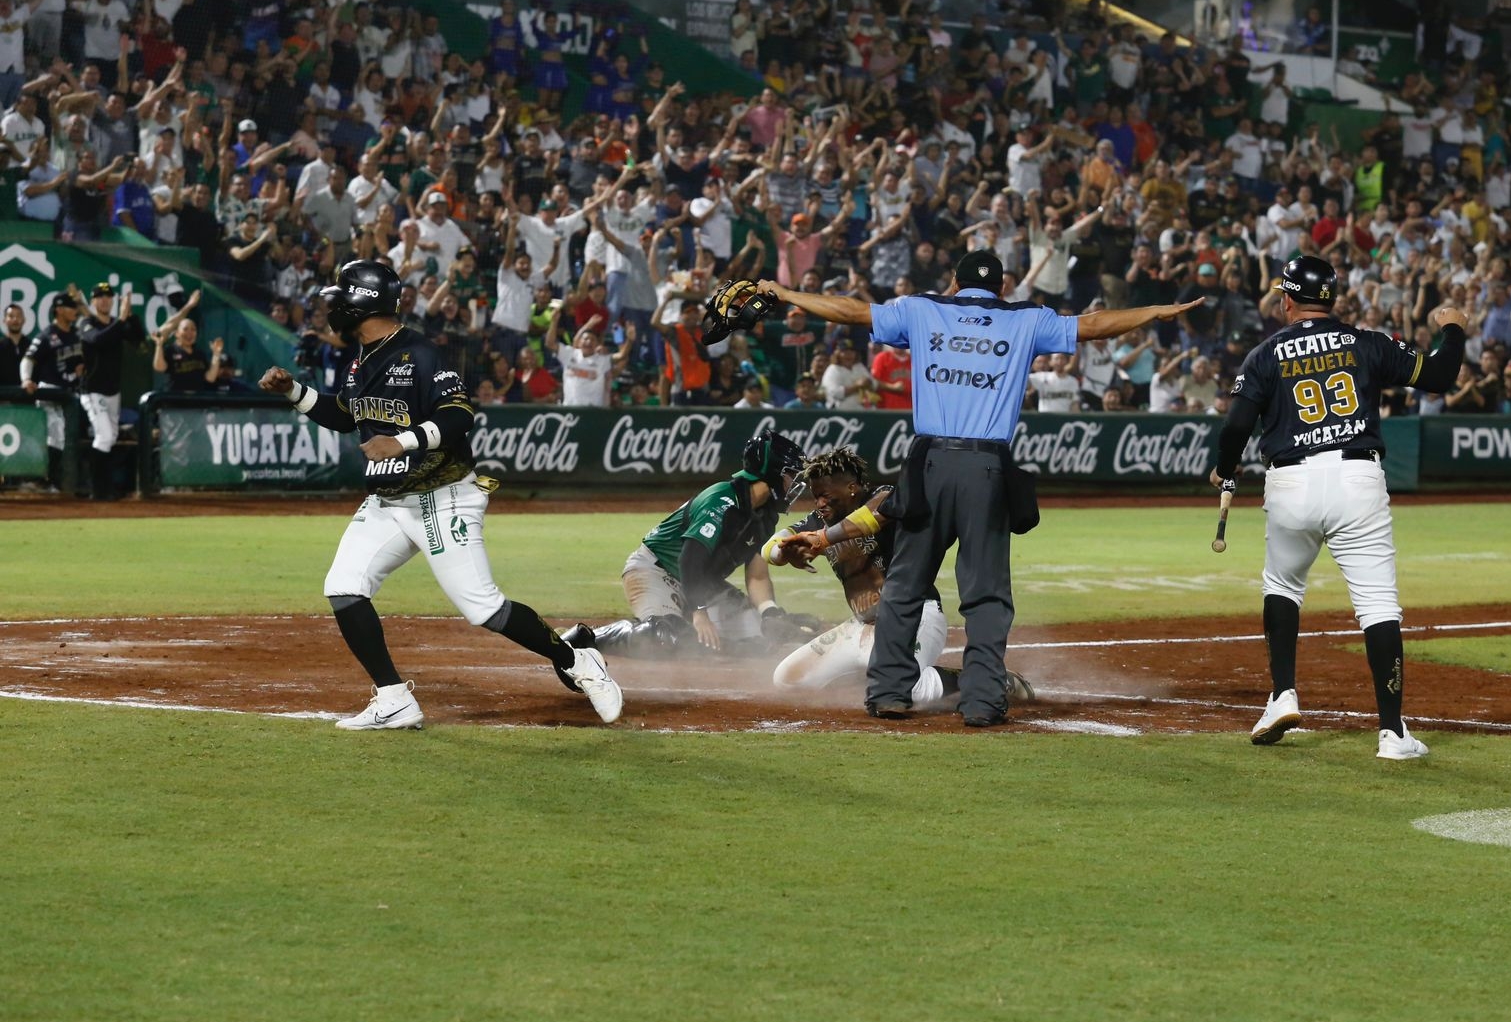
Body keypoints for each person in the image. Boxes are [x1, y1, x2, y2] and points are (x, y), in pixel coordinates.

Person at [758, 251, 1203, 725]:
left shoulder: (924, 308)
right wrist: (1153, 312)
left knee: (906, 582)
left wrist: (787, 294)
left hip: (928, 461)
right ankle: (982, 700)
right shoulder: (1025, 319)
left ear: (955, 282)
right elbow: (1092, 326)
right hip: (986, 466)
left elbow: (851, 310)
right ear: (1002, 287)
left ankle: (889, 692)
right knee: (986, 592)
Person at [257, 259, 623, 730]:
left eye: (340, 297)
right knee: (344, 587)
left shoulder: (420, 353)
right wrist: (294, 391)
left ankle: (576, 660)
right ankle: (393, 699)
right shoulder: (363, 357)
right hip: (389, 500)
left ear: (361, 303)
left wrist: (403, 440)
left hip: (443, 495)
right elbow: (347, 414)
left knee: (483, 607)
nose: (333, 306)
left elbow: (459, 416)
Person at [1208, 256, 1465, 760]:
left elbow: (1236, 427)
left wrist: (1224, 468)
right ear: (1332, 299)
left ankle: (1282, 695)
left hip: (1292, 482)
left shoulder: (1265, 353)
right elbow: (1440, 374)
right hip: (1357, 478)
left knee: (1282, 586)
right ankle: (1392, 733)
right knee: (1377, 605)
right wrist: (1453, 327)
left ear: (1286, 300)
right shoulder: (1366, 342)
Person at [765, 447, 1034, 708]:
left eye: (825, 495)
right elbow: (770, 548)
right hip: (861, 625)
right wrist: (785, 551)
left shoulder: (887, 497)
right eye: (815, 497)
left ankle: (990, 680)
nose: (819, 504)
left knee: (908, 689)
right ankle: (872, 675)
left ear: (851, 487)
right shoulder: (818, 520)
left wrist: (821, 540)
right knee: (788, 679)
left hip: (915, 616)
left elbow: (870, 518)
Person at [563, 429, 816, 658]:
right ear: (771, 472)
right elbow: (690, 558)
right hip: (657, 571)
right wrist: (699, 611)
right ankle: (584, 638)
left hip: (703, 584)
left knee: (759, 640)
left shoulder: (766, 515)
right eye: (790, 474)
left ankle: (690, 631)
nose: (794, 483)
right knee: (666, 637)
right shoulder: (721, 499)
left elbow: (757, 576)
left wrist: (769, 612)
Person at [75, 283, 146, 500]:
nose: (104, 300)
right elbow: (97, 339)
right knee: (104, 436)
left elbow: (138, 339)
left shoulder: (117, 323)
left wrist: (131, 316)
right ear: (93, 301)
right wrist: (122, 320)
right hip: (92, 391)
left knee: (111, 437)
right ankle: (97, 490)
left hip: (113, 392)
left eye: (108, 296)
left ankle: (105, 488)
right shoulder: (87, 323)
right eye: (100, 297)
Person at [19, 294, 82, 492]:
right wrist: (26, 379)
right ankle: (41, 480)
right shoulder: (47, 334)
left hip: (71, 393)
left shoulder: (75, 334)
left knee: (65, 437)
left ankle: (53, 480)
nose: (75, 311)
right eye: (71, 307)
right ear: (59, 310)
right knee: (55, 434)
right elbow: (28, 359)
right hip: (50, 391)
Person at [149, 291, 211, 392]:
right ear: (176, 333)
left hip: (196, 402)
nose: (189, 333)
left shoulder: (199, 352)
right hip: (174, 401)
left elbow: (209, 377)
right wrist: (189, 305)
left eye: (193, 329)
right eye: (185, 329)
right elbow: (167, 327)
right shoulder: (169, 349)